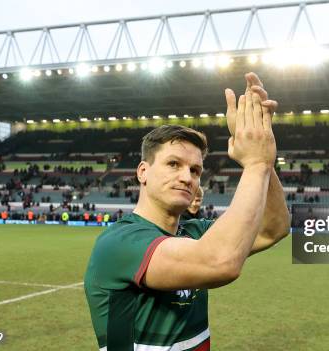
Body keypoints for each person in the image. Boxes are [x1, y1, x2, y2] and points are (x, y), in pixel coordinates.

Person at [84, 72, 289, 351]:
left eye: (195, 170)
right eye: (173, 164)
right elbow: (220, 262)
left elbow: (273, 227)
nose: (187, 177)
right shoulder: (120, 242)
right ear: (143, 172)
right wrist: (255, 162)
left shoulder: (196, 233)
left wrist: (265, 160)